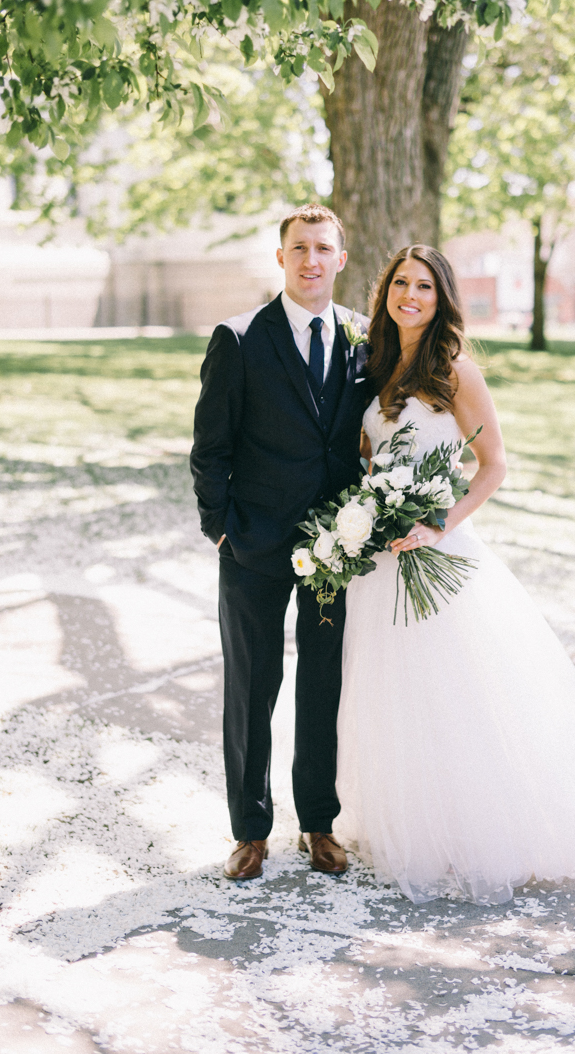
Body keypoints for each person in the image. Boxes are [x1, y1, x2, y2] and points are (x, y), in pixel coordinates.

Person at [335, 244, 575, 904]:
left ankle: (478, 833)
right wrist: (367, 513)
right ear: (385, 292)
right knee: (394, 701)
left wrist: (436, 521)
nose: (409, 295)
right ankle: (413, 826)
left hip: (439, 555)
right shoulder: (374, 367)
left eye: (423, 286)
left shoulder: (456, 372)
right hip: (382, 563)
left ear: (442, 300)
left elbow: (494, 464)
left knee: (454, 698)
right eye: (400, 283)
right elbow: (366, 459)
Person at [190, 204, 368, 881]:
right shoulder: (238, 339)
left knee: (323, 687)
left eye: (324, 248)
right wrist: (223, 529)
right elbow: (210, 448)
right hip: (253, 548)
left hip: (335, 548)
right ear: (281, 257)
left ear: (340, 259)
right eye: (299, 248)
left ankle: (318, 824)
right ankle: (250, 831)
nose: (311, 260)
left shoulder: (361, 339)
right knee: (252, 688)